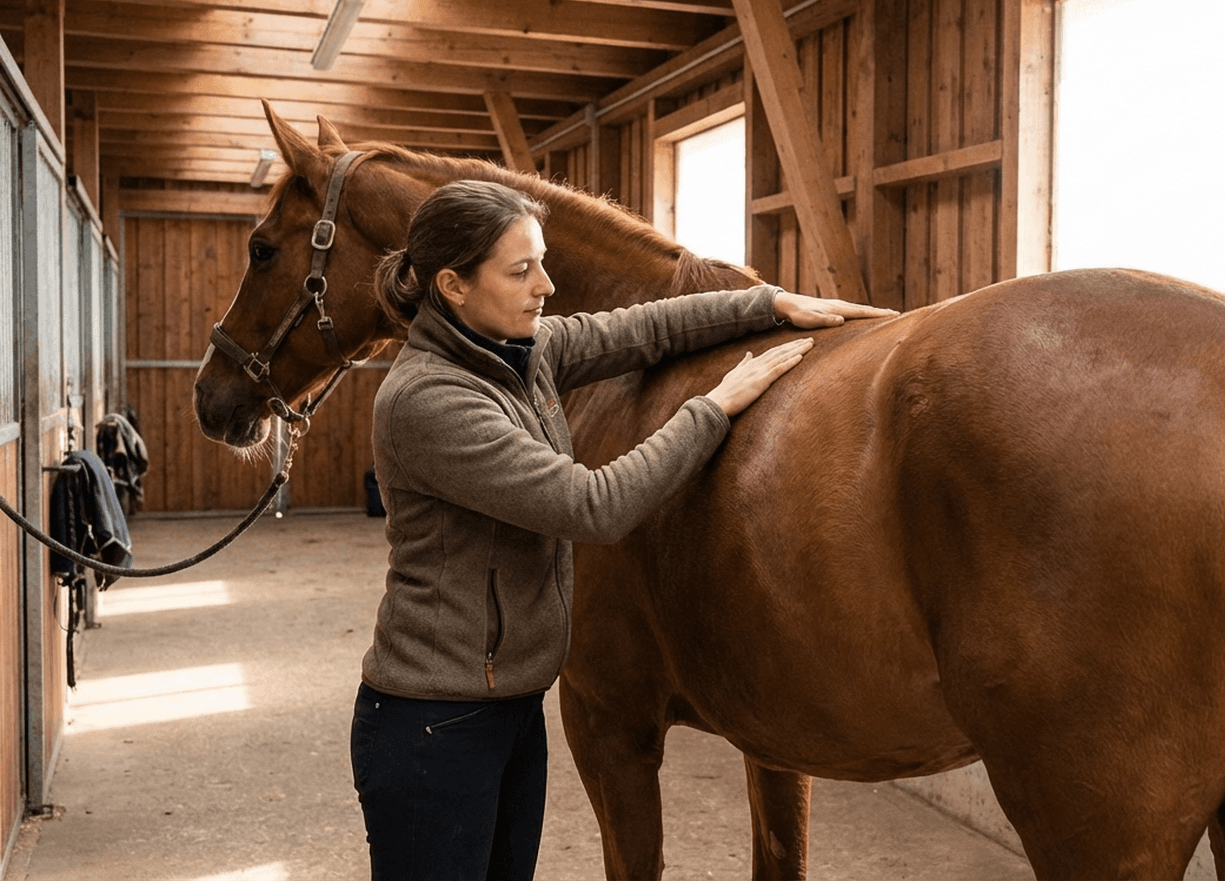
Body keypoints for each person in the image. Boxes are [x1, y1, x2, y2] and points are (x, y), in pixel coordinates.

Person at [352, 179, 891, 880]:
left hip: (504, 702)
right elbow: (591, 507)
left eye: (542, 261)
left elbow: (645, 328)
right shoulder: (430, 400)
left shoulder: (519, 348)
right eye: (520, 271)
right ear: (452, 286)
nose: (546, 285)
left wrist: (769, 304)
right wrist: (713, 407)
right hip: (435, 721)